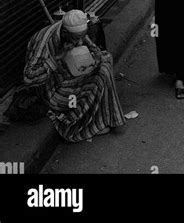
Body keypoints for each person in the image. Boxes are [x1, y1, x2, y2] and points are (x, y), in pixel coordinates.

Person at [23, 9, 125, 142]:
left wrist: (97, 59)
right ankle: (84, 126)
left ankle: (107, 118)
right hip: (51, 90)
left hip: (67, 75)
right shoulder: (44, 40)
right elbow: (29, 77)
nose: (80, 42)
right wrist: (57, 58)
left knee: (104, 65)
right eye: (77, 39)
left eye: (83, 37)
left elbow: (96, 51)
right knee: (99, 76)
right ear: (65, 32)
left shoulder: (77, 33)